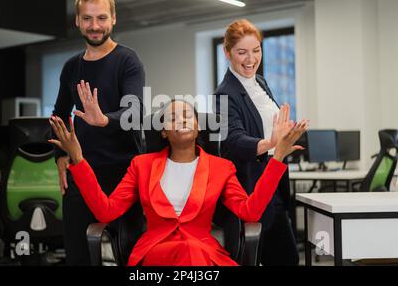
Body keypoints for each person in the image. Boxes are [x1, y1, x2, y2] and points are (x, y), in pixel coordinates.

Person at [49, 99, 308, 266]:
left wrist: (279, 158)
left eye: (188, 116)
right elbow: (106, 211)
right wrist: (78, 158)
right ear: (163, 131)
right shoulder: (142, 165)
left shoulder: (222, 168)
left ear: (197, 127)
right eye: (173, 117)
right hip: (154, 253)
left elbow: (250, 211)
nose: (182, 120)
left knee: (192, 254)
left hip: (202, 253)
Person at [52, 0, 145, 265]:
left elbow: (135, 110)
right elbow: (58, 115)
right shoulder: (71, 67)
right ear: (77, 21)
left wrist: (104, 119)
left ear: (113, 19)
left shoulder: (127, 60)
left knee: (131, 256)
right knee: (79, 255)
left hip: (124, 175)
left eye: (101, 18)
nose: (95, 26)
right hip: (83, 174)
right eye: (88, 18)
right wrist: (60, 157)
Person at [214, 19, 301, 265]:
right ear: (227, 52)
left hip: (273, 183)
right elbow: (232, 140)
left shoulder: (260, 83)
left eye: (256, 50)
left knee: (287, 259)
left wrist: (286, 136)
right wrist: (270, 141)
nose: (251, 59)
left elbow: (267, 126)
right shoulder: (224, 94)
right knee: (252, 258)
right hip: (250, 188)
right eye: (242, 52)